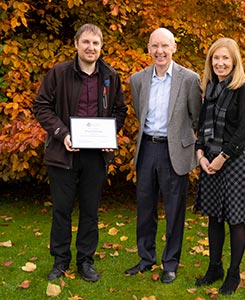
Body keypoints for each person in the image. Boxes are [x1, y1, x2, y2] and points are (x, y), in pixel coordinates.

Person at [33, 23, 127, 282]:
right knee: (61, 210)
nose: (91, 47)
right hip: (64, 154)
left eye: (96, 43)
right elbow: (41, 106)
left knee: (90, 211)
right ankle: (60, 261)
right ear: (76, 44)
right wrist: (62, 134)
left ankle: (85, 261)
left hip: (95, 156)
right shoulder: (59, 73)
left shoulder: (110, 76)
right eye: (86, 42)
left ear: (101, 46)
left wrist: (111, 135)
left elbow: (120, 111)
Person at [124, 28, 202, 284]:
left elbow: (196, 117)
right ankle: (146, 259)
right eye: (155, 46)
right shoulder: (138, 79)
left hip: (174, 151)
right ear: (148, 48)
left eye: (165, 46)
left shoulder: (189, 79)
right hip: (147, 148)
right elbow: (139, 111)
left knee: (174, 210)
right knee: (145, 208)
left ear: (174, 48)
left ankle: (170, 263)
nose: (160, 51)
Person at [194, 37, 245, 295]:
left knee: (235, 220)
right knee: (213, 218)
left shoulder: (244, 88)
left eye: (225, 58)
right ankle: (214, 268)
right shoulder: (210, 88)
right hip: (209, 161)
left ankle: (233, 274)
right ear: (211, 62)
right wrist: (200, 155)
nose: (220, 63)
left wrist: (221, 158)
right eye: (215, 58)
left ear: (234, 61)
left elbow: (243, 132)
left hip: (234, 162)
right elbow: (201, 126)